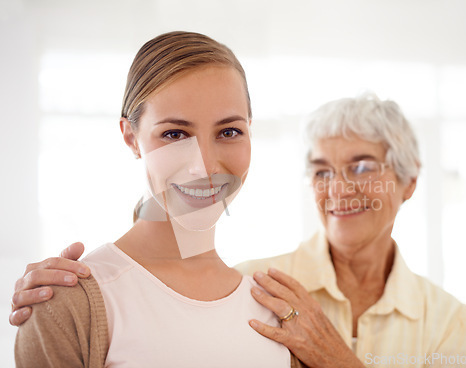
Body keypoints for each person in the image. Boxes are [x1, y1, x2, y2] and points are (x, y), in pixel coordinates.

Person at [11, 91, 466, 366]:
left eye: (359, 168)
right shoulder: (253, 288)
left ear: (410, 181)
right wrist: (84, 287)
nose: (337, 190)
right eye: (321, 171)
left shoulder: (448, 321)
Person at [13, 31, 298, 368]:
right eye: (175, 134)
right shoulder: (68, 302)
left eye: (229, 132)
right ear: (131, 138)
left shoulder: (278, 309)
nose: (203, 166)